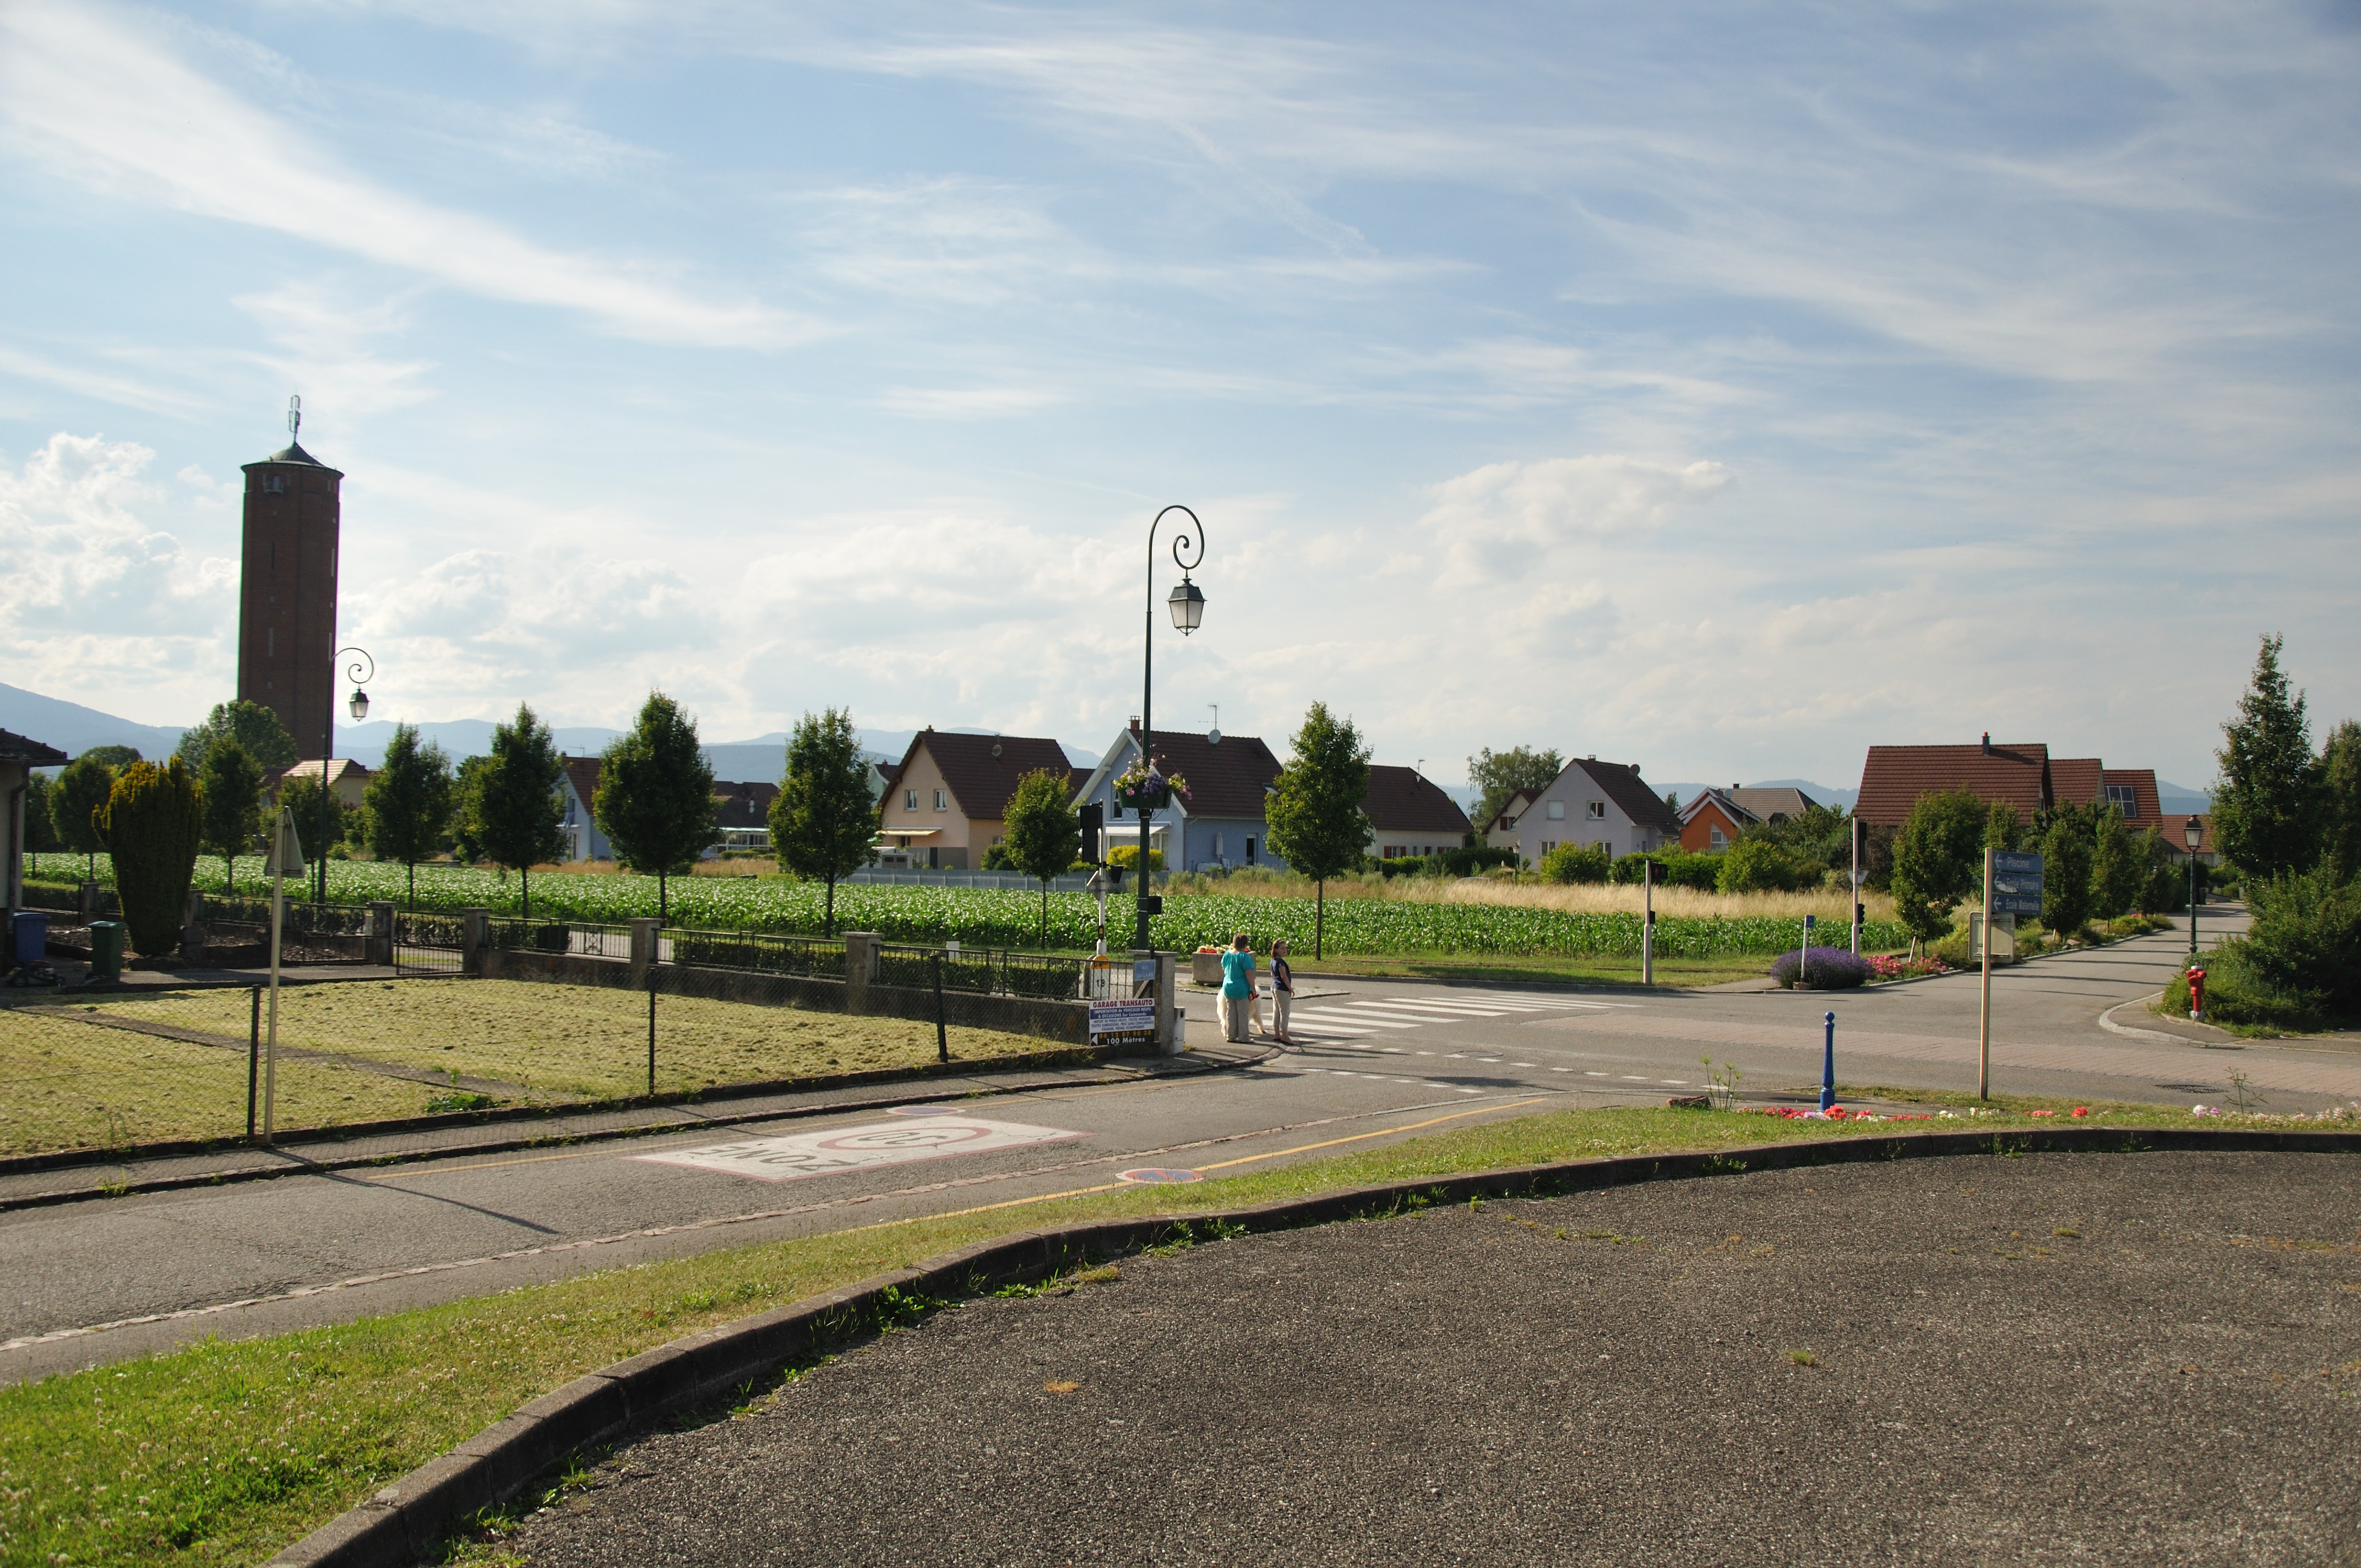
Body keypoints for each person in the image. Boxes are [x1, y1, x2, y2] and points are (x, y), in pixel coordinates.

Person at [1218, 932, 1256, 1043]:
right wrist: (1253, 988)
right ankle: (1244, 1037)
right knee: (1243, 1014)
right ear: (1245, 945)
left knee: (1231, 1012)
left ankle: (1231, 1035)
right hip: (1241, 988)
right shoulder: (1244, 957)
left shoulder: (1227, 954)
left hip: (1228, 987)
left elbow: (1224, 968)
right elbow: (1249, 973)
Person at [1267, 938, 1294, 1044]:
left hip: (1274, 987)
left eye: (1285, 948)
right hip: (1282, 989)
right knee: (1285, 1013)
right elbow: (1284, 976)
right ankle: (1285, 1036)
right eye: (1282, 948)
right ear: (1276, 950)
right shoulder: (1281, 963)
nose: (1285, 950)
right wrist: (1290, 988)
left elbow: (1272, 975)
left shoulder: (1273, 961)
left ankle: (1277, 1034)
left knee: (1277, 1011)